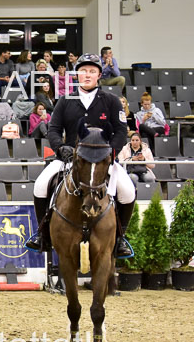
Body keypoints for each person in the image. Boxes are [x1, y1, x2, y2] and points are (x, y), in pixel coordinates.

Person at [24, 53, 135, 258]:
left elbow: (121, 131)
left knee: (127, 191)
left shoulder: (111, 101)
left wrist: (110, 153)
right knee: (40, 185)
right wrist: (61, 148)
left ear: (99, 75)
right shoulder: (65, 100)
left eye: (92, 71)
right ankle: (42, 234)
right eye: (83, 71)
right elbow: (54, 129)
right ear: (77, 75)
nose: (87, 75)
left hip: (104, 160)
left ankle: (120, 238)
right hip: (70, 159)